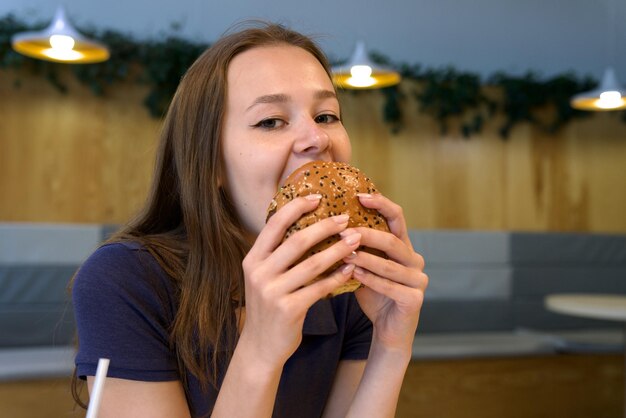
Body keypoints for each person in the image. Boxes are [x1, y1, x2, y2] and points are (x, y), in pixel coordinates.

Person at [71, 21, 428, 418]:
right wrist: (261, 351)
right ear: (209, 165)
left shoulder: (349, 291)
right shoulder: (124, 280)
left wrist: (391, 347)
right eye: (271, 121)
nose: (317, 138)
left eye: (326, 115)